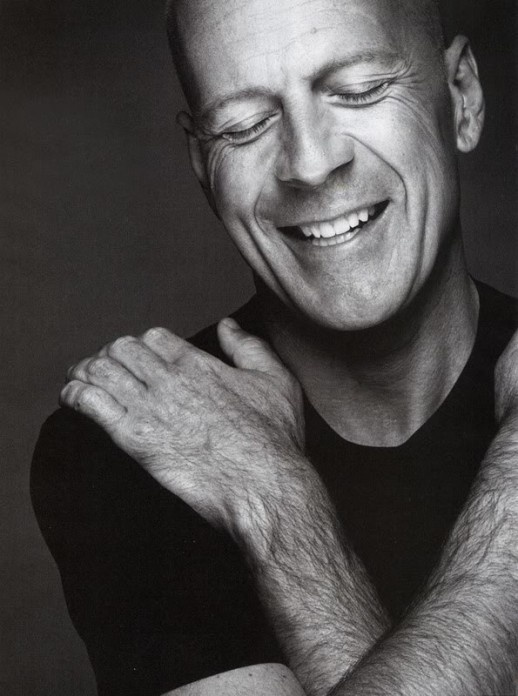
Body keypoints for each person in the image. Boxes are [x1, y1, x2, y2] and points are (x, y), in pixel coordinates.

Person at [31, 0, 518, 694]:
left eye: (359, 90)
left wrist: (270, 502)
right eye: (244, 126)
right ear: (203, 168)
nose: (311, 164)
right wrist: (278, 497)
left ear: (461, 98)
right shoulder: (132, 446)